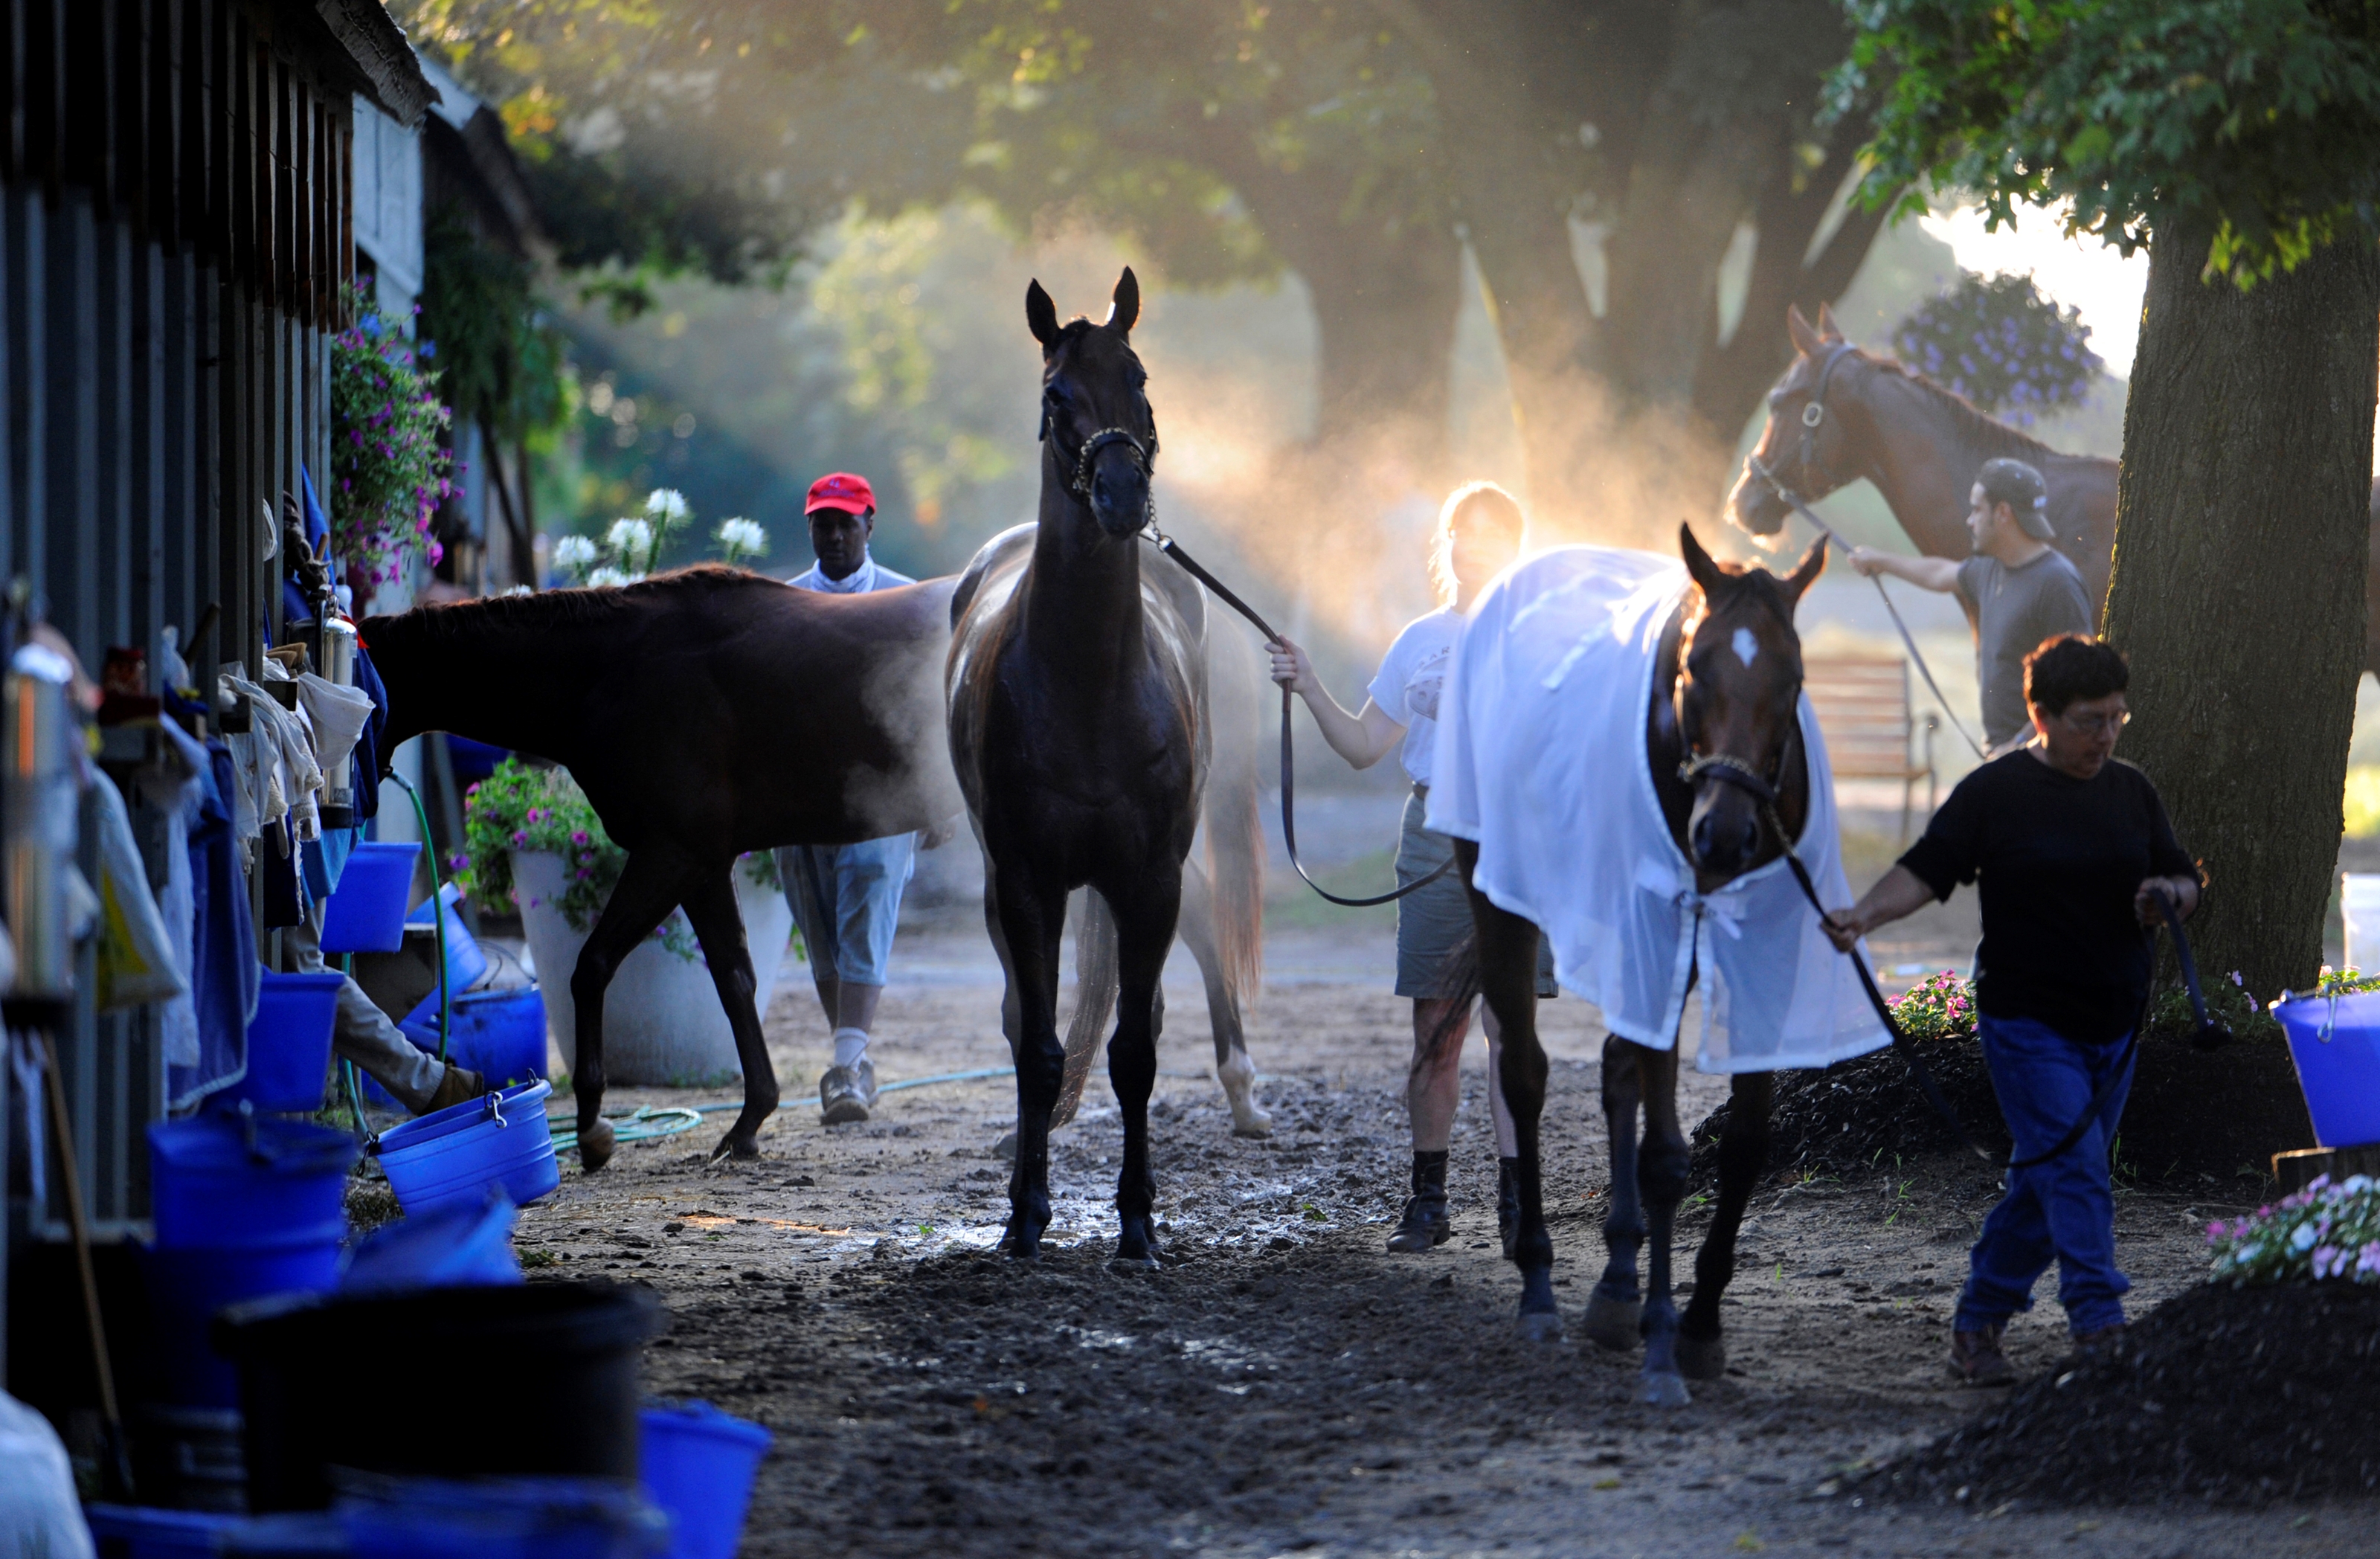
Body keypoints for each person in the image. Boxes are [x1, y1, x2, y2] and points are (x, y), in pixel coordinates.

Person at [1821, 635, 2200, 1383]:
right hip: (2027, 1025)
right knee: (2078, 1169)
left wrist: (2171, 900)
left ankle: (1976, 1324)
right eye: (2089, 719)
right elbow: (1926, 871)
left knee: (2047, 1179)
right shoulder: (1993, 794)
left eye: (2116, 718)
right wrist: (1861, 916)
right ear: (2040, 713)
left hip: (2114, 1027)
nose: (2105, 735)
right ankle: (2098, 1327)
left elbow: (2183, 879)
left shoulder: (2130, 790)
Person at [1267, 480, 1557, 1255]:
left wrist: (1461, 695)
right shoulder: (1417, 638)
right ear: (1448, 544)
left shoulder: (1536, 634)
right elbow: (1365, 746)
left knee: (1508, 1022)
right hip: (1433, 833)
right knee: (1436, 1028)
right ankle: (1427, 1201)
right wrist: (1308, 684)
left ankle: (1514, 1198)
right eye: (1465, 531)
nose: (1477, 545)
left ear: (1515, 547)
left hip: (1511, 837)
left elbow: (1546, 741)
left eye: (1495, 533)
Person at [776, 472, 940, 1124]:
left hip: (885, 795)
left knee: (868, 897)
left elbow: (935, 706)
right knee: (817, 921)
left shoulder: (908, 601)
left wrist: (942, 795)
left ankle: (846, 1064)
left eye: (847, 522)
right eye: (824, 523)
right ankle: (852, 1057)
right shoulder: (783, 607)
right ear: (810, 527)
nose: (836, 534)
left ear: (870, 524)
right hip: (800, 795)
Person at [1846, 456, 2093, 756]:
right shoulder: (1989, 568)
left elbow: (2076, 684)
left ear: (2003, 513)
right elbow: (1940, 573)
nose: (1970, 520)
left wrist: (2020, 746)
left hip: (2042, 761)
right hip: (2005, 755)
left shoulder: (2057, 584)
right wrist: (1880, 561)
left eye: (1977, 509)